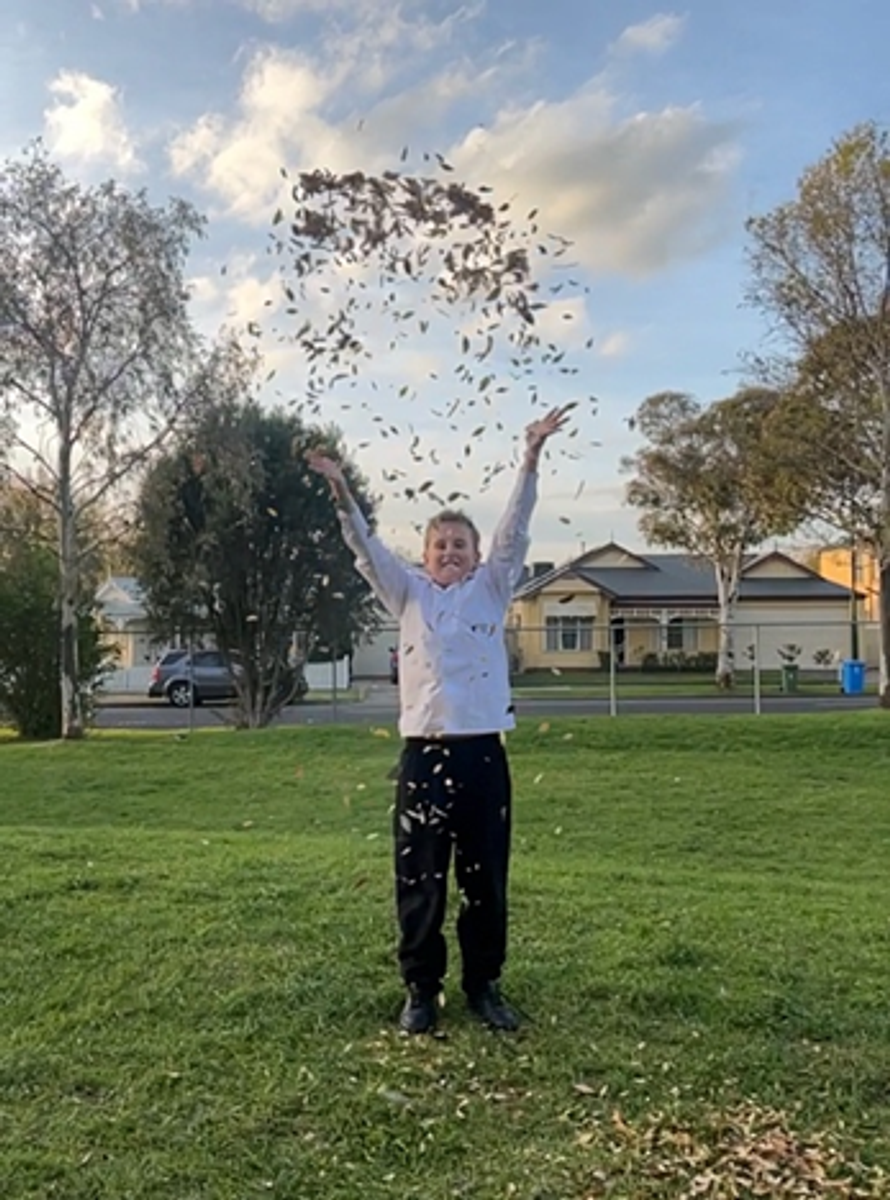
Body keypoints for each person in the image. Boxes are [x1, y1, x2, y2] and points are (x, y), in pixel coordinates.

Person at [307, 405, 572, 1034]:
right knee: (420, 876)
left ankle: (484, 985)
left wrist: (531, 455)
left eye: (460, 544)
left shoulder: (492, 587)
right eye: (439, 544)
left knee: (485, 879)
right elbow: (365, 548)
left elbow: (514, 529)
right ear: (424, 555)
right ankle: (420, 991)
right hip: (424, 757)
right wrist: (341, 490)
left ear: (477, 555)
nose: (449, 551)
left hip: (483, 755)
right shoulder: (407, 593)